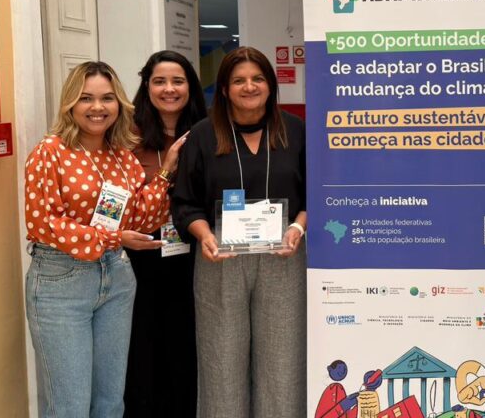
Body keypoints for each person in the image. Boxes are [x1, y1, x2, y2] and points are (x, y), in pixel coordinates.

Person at [23, 61, 184, 418]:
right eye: (86, 98)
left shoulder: (121, 157)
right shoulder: (50, 152)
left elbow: (141, 217)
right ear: (70, 104)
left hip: (117, 279)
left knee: (111, 403)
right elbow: (44, 223)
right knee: (70, 406)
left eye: (107, 98)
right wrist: (113, 237)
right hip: (62, 282)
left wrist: (166, 170)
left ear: (119, 104)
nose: (97, 107)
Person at [171, 46, 307, 417]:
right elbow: (185, 203)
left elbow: (316, 193)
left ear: (271, 84)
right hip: (220, 254)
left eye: (258, 78)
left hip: (284, 252)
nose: (249, 87)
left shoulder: (295, 130)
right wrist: (204, 235)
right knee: (221, 360)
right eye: (239, 80)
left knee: (282, 360)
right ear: (225, 88)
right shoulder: (202, 135)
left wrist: (298, 226)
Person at [123, 51, 207, 417]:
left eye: (178, 81)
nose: (169, 89)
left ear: (190, 87)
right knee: (143, 348)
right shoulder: (126, 136)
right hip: (141, 256)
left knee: (187, 347)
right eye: (159, 81)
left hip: (195, 254)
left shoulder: (208, 131)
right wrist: (167, 169)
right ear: (147, 87)